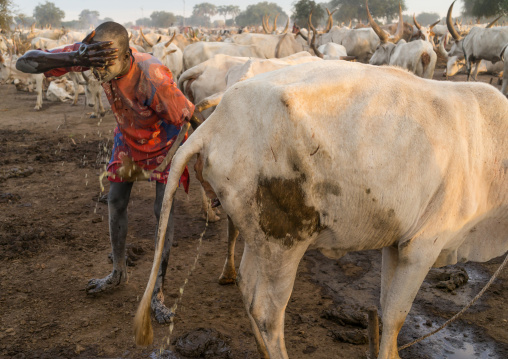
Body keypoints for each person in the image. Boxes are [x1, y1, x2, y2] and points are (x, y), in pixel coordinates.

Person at [16, 21, 202, 323]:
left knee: (162, 211)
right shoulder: (93, 56)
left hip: (164, 143)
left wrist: (203, 157)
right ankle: (118, 272)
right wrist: (75, 58)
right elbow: (23, 62)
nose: (98, 73)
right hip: (129, 139)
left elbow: (191, 117)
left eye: (105, 65)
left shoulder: (152, 76)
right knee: (116, 202)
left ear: (127, 54)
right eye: (95, 64)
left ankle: (158, 292)